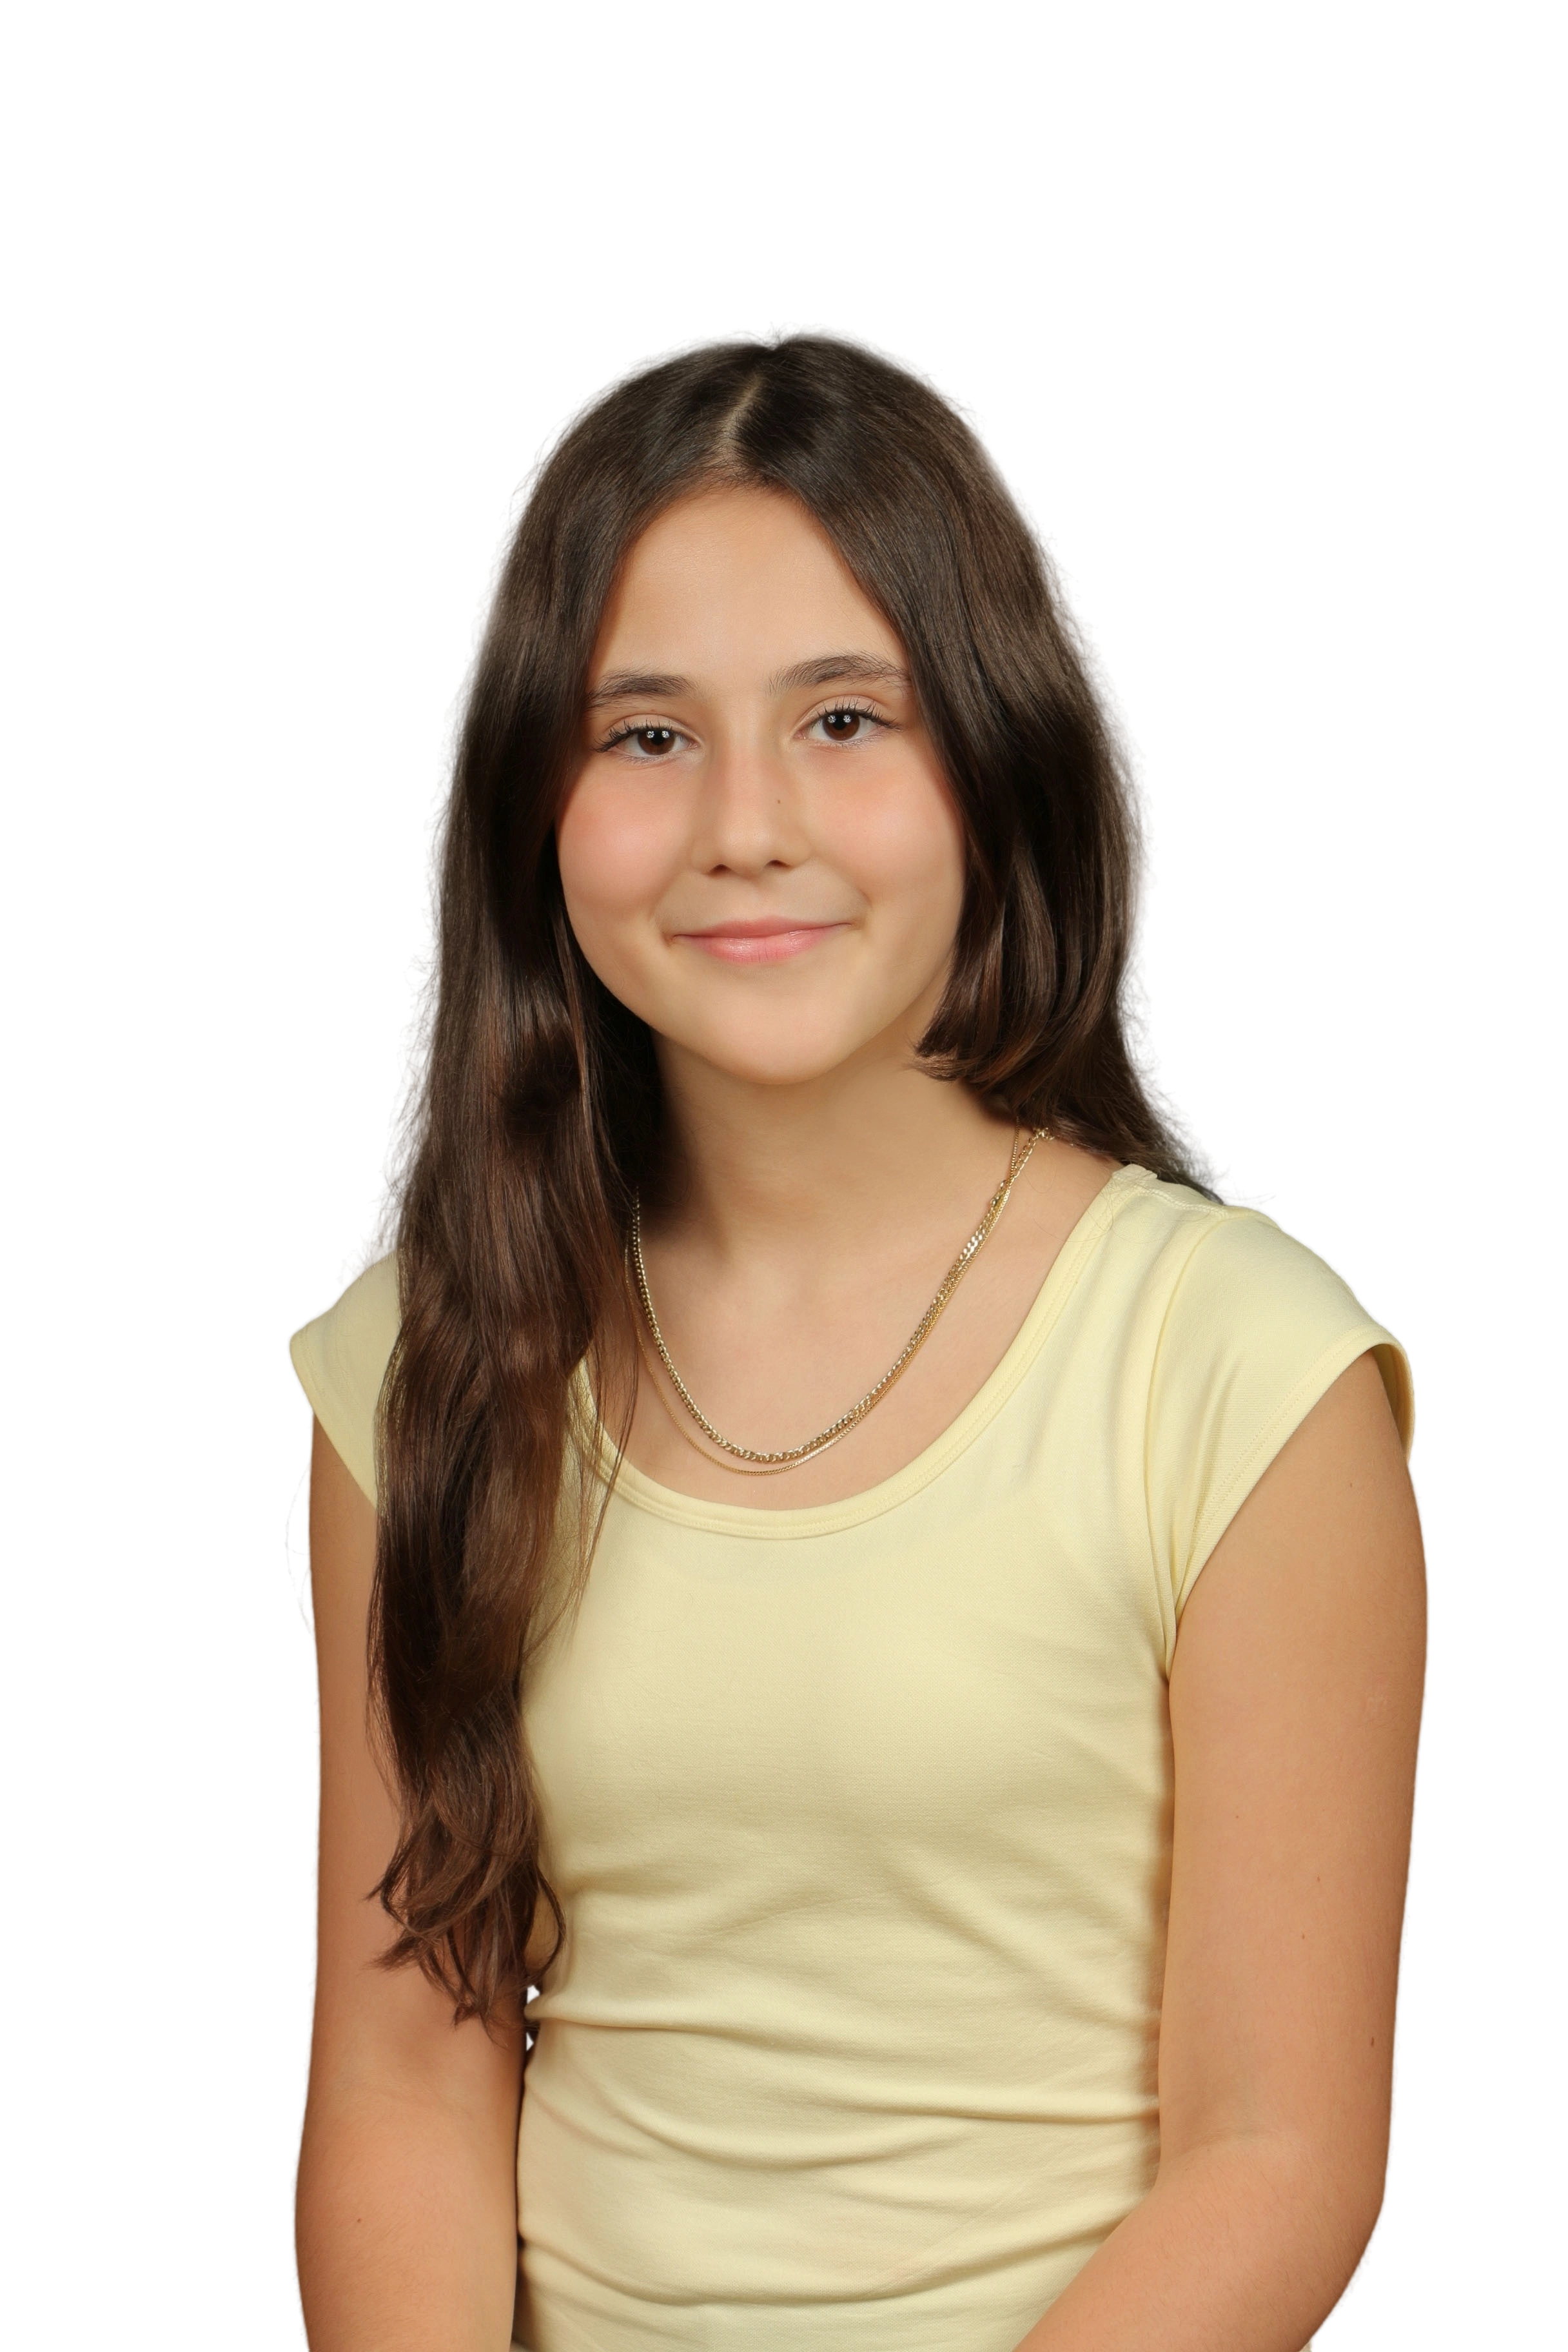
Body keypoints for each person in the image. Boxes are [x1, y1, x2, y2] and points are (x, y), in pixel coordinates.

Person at [284, 320, 1429, 2352]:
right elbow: (404, 2088)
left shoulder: (1237, 1374)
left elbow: (1277, 2156)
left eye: (842, 719)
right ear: (534, 805)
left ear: (994, 758)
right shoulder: (416, 1372)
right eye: (647, 735)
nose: (747, 823)